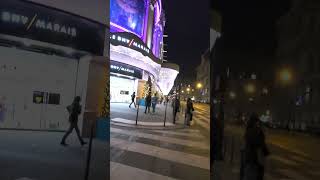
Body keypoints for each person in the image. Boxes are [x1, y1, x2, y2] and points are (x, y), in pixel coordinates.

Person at [242, 114, 270, 180]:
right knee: (253, 175)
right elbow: (259, 143)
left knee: (249, 175)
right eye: (257, 122)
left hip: (250, 158)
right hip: (254, 158)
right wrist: (266, 152)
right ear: (255, 122)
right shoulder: (255, 131)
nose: (258, 123)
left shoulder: (249, 130)